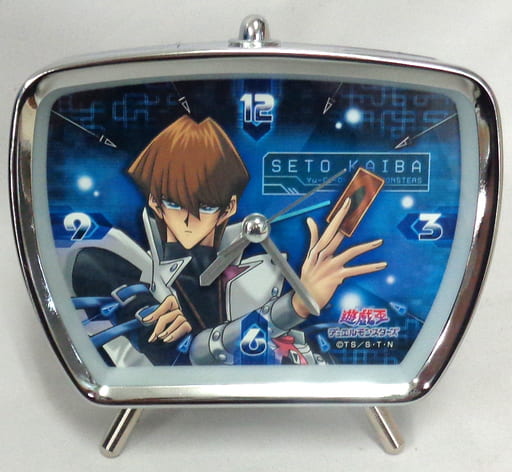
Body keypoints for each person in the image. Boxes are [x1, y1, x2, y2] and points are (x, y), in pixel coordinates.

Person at [68, 115, 386, 365]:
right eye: (175, 204)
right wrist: (295, 306)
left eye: (206, 207)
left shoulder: (259, 269)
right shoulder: (115, 263)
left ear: (229, 208)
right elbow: (185, 356)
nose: (189, 220)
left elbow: (290, 350)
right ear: (154, 202)